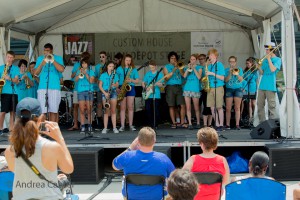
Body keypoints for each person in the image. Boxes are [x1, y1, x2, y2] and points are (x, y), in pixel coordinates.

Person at [4, 97, 73, 199]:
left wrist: (52, 178)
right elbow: (68, 169)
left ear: (17, 119)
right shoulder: (52, 147)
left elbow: (23, 173)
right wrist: (60, 138)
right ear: (41, 119)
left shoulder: (9, 151)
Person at [112, 127, 175, 199]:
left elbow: (114, 166)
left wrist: (130, 148)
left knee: (124, 181)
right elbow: (174, 178)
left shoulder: (127, 156)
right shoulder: (163, 158)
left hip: (131, 197)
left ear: (138, 141)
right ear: (154, 140)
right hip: (157, 197)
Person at [183, 127, 230, 200]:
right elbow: (226, 181)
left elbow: (181, 179)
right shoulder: (222, 160)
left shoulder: (193, 159)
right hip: (215, 197)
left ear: (201, 144)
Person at [34, 43, 65, 122]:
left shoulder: (58, 58)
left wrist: (52, 60)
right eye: (45, 50)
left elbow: (61, 69)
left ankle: (52, 131)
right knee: (42, 111)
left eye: (48, 51)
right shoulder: (40, 58)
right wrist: (42, 64)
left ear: (51, 51)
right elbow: (35, 73)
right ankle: (43, 130)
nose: (46, 52)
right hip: (42, 87)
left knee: (53, 110)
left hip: (54, 87)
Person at [257, 42, 281, 123]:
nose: (266, 51)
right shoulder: (265, 59)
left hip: (270, 86)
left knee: (271, 106)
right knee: (259, 105)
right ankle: (262, 123)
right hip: (262, 85)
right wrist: (258, 67)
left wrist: (269, 59)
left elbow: (273, 69)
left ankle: (272, 124)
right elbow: (262, 72)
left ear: (272, 50)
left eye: (267, 50)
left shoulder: (278, 59)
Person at [116, 54, 139, 131]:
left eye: (129, 60)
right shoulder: (119, 69)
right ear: (124, 61)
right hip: (122, 87)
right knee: (122, 108)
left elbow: (137, 80)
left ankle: (131, 125)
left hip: (130, 88)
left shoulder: (134, 69)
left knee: (130, 107)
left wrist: (131, 80)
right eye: (127, 60)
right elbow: (116, 80)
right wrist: (117, 88)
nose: (128, 62)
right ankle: (122, 125)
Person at [68, 52, 90, 131]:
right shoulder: (77, 65)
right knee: (76, 106)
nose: (82, 59)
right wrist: (78, 70)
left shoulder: (89, 68)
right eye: (82, 57)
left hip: (85, 90)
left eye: (84, 58)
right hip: (76, 89)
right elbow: (72, 76)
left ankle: (84, 124)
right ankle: (76, 124)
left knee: (86, 108)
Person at [163, 51, 186, 129]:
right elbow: (166, 78)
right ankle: (174, 123)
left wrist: (179, 68)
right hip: (170, 87)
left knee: (182, 105)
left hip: (179, 87)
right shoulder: (166, 67)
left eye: (175, 58)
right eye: (172, 58)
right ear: (169, 59)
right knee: (171, 105)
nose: (173, 60)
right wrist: (173, 70)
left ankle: (182, 122)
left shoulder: (180, 66)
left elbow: (183, 75)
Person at [0, 51, 20, 135]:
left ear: (13, 58)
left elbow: (16, 80)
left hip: (13, 92)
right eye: (8, 57)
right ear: (6, 57)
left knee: (13, 112)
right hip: (4, 92)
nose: (9, 59)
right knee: (3, 111)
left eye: (11, 57)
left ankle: (11, 129)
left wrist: (9, 78)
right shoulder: (1, 68)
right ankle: (0, 129)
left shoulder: (16, 68)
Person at [206, 49, 225, 132]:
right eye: (209, 55)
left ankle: (221, 124)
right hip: (210, 87)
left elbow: (222, 78)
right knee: (211, 107)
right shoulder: (209, 66)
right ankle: (216, 124)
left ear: (215, 56)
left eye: (211, 55)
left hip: (218, 87)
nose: (209, 56)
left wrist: (212, 73)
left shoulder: (219, 65)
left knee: (219, 107)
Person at [75, 58, 95, 133]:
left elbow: (91, 81)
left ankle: (90, 126)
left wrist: (86, 73)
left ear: (88, 64)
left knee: (89, 110)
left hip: (89, 91)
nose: (84, 65)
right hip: (81, 92)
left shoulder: (91, 72)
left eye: (85, 63)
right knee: (82, 110)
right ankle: (83, 126)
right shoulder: (79, 71)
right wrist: (80, 73)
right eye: (82, 63)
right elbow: (76, 80)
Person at [142, 60, 164, 129]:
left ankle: (155, 124)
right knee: (148, 110)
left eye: (152, 67)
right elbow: (143, 82)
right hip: (148, 95)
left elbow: (162, 84)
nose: (151, 69)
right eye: (150, 67)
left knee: (156, 110)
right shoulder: (148, 74)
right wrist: (145, 87)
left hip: (156, 95)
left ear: (156, 66)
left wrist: (157, 84)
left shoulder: (160, 74)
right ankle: (150, 124)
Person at [99, 61, 119, 134]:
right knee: (106, 111)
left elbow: (117, 84)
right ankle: (105, 128)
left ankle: (114, 127)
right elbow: (100, 86)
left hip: (113, 92)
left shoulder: (115, 75)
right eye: (110, 66)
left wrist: (115, 85)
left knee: (113, 111)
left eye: (112, 67)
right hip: (105, 92)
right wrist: (105, 93)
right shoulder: (103, 75)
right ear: (107, 67)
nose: (111, 68)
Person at [183, 54, 202, 130]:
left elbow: (199, 77)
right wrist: (188, 69)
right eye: (191, 59)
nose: (192, 61)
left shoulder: (199, 68)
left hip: (195, 89)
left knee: (196, 107)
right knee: (188, 107)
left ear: (196, 60)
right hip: (187, 88)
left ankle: (198, 123)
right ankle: (190, 123)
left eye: (194, 59)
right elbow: (184, 76)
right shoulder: (186, 67)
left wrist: (194, 68)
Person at [224, 56, 244, 130]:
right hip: (229, 89)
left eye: (233, 62)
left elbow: (241, 79)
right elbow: (225, 80)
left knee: (237, 107)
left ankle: (237, 124)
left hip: (238, 89)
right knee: (228, 108)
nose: (231, 63)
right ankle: (227, 124)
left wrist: (237, 73)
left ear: (235, 62)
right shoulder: (226, 70)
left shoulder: (240, 69)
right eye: (230, 61)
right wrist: (230, 73)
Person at [241, 57, 259, 125]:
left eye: (248, 63)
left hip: (253, 88)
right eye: (246, 63)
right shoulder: (245, 71)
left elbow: (256, 80)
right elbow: (243, 80)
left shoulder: (255, 71)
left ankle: (255, 116)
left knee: (253, 103)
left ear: (252, 63)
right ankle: (250, 118)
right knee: (249, 103)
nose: (247, 64)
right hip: (246, 88)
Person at [198, 54, 212, 127]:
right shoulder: (200, 67)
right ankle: (204, 124)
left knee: (210, 106)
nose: (201, 60)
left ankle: (209, 124)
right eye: (200, 59)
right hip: (203, 88)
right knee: (204, 106)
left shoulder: (211, 67)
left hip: (211, 88)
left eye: (202, 59)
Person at [94, 51, 107, 128]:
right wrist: (97, 80)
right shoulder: (97, 66)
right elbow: (95, 76)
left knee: (106, 105)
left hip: (107, 88)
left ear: (106, 57)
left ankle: (107, 121)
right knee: (99, 104)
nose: (101, 58)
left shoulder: (109, 65)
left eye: (103, 56)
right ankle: (99, 121)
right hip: (100, 88)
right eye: (100, 57)